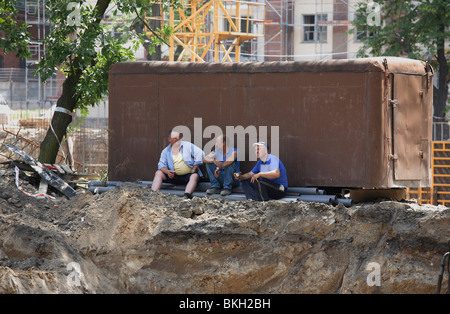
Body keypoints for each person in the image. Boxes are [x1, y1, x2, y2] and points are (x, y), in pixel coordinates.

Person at [151, 130, 205, 199]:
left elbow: (201, 154)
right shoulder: (165, 151)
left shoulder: (187, 146)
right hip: (174, 176)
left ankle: (186, 196)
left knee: (194, 176)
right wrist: (167, 172)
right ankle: (153, 194)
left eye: (179, 137)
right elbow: (161, 165)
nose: (178, 139)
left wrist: (194, 168)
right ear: (169, 139)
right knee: (158, 173)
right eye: (175, 138)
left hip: (188, 175)